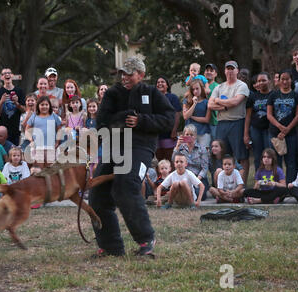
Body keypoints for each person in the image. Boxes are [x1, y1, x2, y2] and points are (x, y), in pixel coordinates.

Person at [89, 56, 176, 257]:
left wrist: (141, 121)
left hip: (140, 147)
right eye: (123, 73)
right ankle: (111, 247)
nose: (125, 77)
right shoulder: (111, 94)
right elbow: (101, 123)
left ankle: (146, 240)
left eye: (130, 73)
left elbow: (168, 119)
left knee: (126, 185)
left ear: (141, 75)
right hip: (114, 147)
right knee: (97, 195)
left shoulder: (152, 93)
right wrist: (121, 119)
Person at [208, 60, 250, 184]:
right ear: (225, 71)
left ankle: (242, 186)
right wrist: (225, 106)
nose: (230, 71)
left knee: (241, 156)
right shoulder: (219, 87)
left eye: (233, 68)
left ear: (237, 70)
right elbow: (210, 105)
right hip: (221, 124)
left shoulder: (241, 86)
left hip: (237, 122)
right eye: (228, 68)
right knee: (221, 155)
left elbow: (235, 102)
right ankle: (223, 185)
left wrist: (218, 100)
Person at [267, 69, 298, 184]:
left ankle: (289, 186)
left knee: (291, 162)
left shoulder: (296, 96)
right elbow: (269, 115)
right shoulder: (273, 95)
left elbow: (297, 116)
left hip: (291, 133)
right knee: (276, 161)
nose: (285, 81)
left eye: (287, 79)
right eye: (283, 79)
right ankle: (277, 186)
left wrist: (287, 130)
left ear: (291, 80)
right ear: (279, 80)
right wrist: (280, 127)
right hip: (275, 133)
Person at [244, 72, 273, 170]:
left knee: (270, 156)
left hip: (270, 130)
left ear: (269, 81)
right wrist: (246, 134)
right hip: (255, 130)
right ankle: (259, 181)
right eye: (259, 81)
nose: (261, 83)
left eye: (264, 80)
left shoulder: (274, 95)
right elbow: (248, 116)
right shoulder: (253, 96)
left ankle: (272, 181)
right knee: (258, 157)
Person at [173, 124, 209, 201]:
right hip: (184, 176)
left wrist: (195, 180)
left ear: (195, 136)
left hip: (198, 177)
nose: (189, 136)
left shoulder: (202, 149)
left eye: (192, 135)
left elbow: (205, 168)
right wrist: (177, 146)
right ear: (183, 135)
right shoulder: (180, 148)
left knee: (200, 195)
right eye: (187, 134)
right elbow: (173, 161)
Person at [25, 96, 62, 167]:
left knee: (50, 168)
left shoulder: (54, 116)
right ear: (38, 106)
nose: (44, 107)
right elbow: (27, 130)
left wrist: (57, 142)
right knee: (39, 168)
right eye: (42, 105)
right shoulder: (34, 116)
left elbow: (59, 130)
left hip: (51, 146)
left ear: (49, 106)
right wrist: (31, 141)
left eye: (46, 105)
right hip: (38, 146)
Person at [0, 68, 26, 145]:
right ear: (1, 77)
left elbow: (24, 110)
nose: (7, 74)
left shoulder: (19, 91)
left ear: (12, 75)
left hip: (15, 128)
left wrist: (16, 103)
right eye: (4, 73)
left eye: (9, 73)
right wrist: (1, 101)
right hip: (2, 128)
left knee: (15, 152)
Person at [155, 76, 182, 163]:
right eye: (158, 82)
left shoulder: (172, 97)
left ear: (167, 85)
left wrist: (174, 130)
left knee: (170, 160)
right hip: (157, 135)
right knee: (160, 162)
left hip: (169, 135)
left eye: (162, 82)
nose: (160, 84)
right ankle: (161, 177)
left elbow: (177, 114)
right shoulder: (153, 98)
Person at [182, 79, 211, 149]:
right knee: (188, 153)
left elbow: (206, 119)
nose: (195, 91)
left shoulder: (207, 102)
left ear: (202, 88)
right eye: (193, 89)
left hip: (203, 132)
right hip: (189, 132)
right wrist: (194, 104)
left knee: (204, 155)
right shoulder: (186, 101)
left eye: (197, 88)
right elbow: (185, 116)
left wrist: (191, 117)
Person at [204, 64, 220, 141]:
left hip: (213, 122)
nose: (209, 72)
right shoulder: (199, 86)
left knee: (214, 145)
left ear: (216, 74)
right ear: (204, 73)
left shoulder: (218, 87)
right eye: (207, 70)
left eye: (211, 70)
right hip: (201, 122)